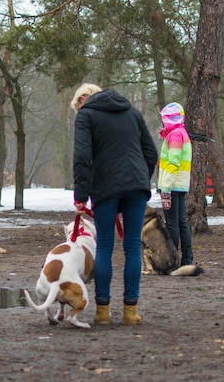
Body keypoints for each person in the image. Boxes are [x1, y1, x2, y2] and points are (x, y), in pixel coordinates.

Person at [71, 83, 158, 326]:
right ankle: (130, 313)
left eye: (77, 105)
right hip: (137, 187)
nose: (78, 110)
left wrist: (81, 195)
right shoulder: (132, 113)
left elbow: (82, 157)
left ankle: (102, 312)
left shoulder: (86, 116)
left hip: (105, 187)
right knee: (131, 246)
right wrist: (140, 177)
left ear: (84, 98)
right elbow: (151, 153)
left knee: (106, 247)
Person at [157, 102, 193, 266]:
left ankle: (172, 260)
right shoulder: (182, 133)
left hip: (172, 185)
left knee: (172, 224)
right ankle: (187, 258)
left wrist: (165, 188)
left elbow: (173, 163)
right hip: (181, 184)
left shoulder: (174, 136)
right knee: (181, 223)